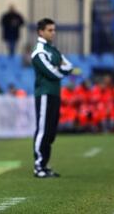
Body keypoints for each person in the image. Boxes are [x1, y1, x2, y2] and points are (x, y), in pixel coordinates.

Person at [31, 18, 73, 178]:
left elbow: (69, 65)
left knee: (50, 131)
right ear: (40, 32)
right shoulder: (39, 51)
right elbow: (52, 72)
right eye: (50, 30)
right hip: (44, 94)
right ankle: (38, 166)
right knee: (42, 130)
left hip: (54, 93)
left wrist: (60, 68)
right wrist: (60, 69)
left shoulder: (53, 49)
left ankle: (45, 165)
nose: (53, 33)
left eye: (54, 30)